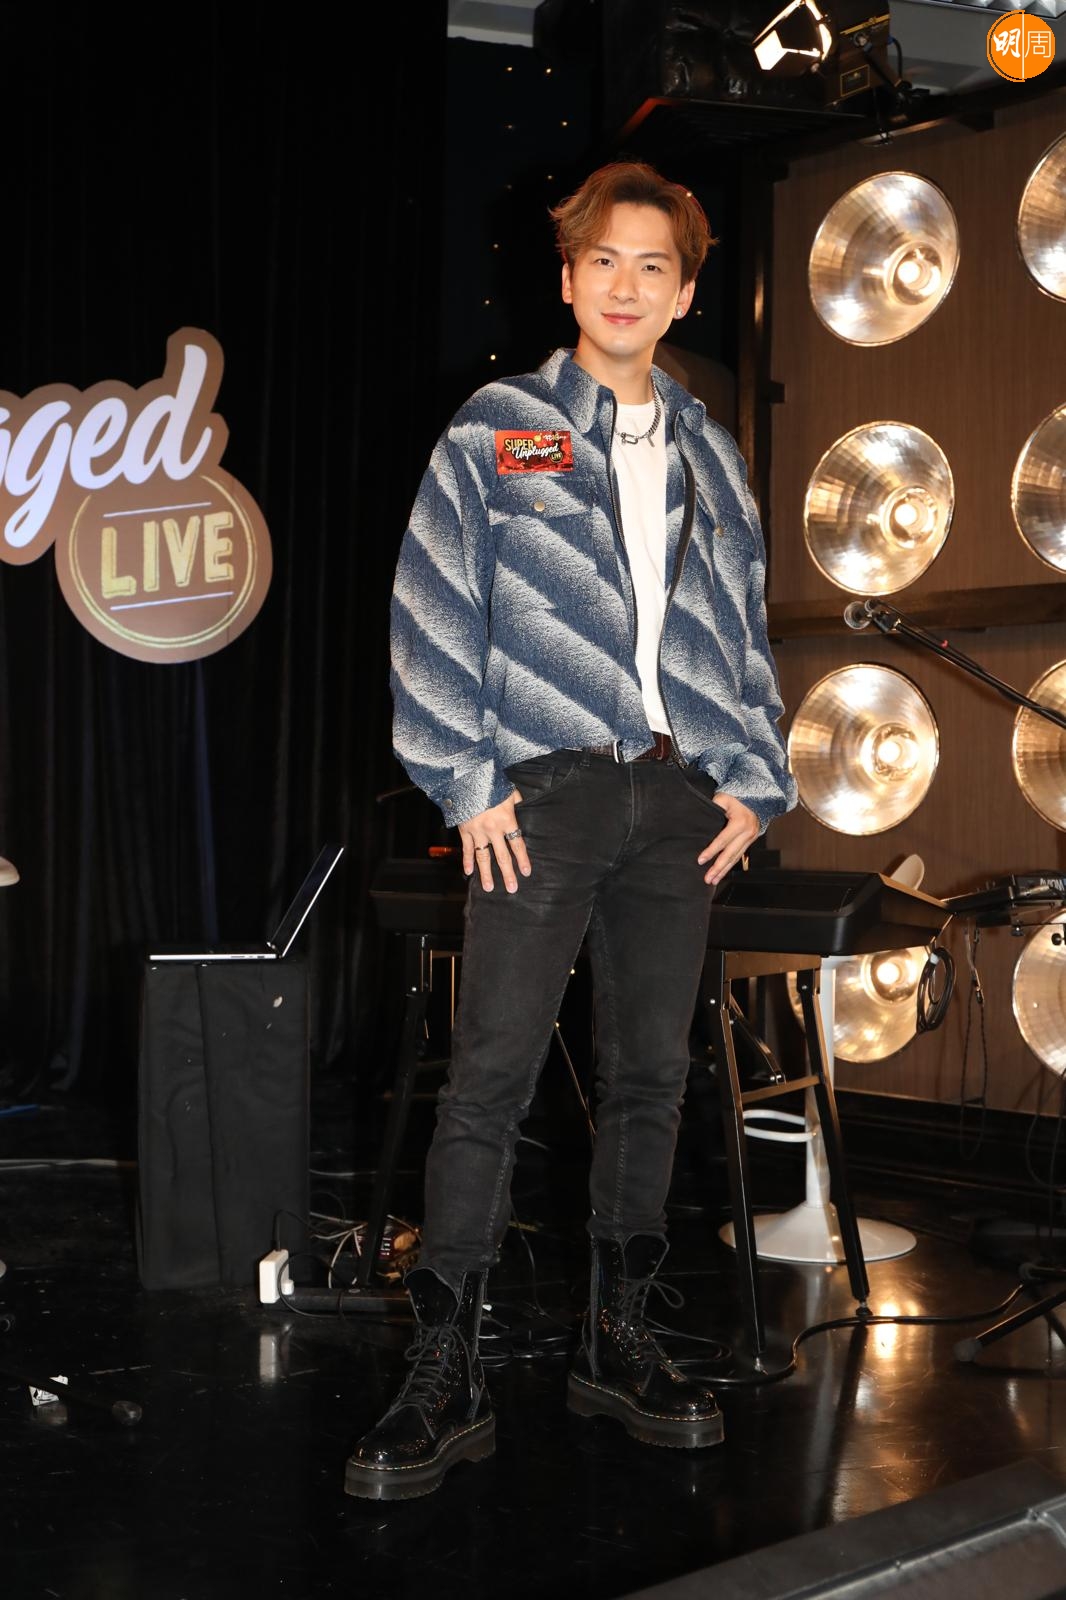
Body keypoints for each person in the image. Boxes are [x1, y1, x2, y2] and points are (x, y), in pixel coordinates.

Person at [345, 161, 797, 1501]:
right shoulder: (501, 429)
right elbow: (432, 601)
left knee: (650, 1076)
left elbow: (742, 629)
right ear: (566, 277)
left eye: (653, 266)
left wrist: (756, 778)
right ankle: (446, 1370)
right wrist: (465, 779)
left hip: (677, 800)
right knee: (489, 1077)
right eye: (603, 259)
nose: (625, 285)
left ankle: (618, 1339)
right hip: (539, 796)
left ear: (685, 292)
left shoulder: (711, 451)